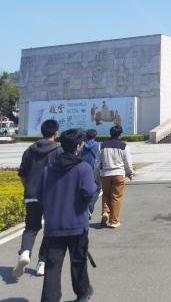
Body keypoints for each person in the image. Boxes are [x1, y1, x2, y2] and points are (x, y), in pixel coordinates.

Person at [39, 128, 97, 302]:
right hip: (77, 224)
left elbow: (42, 195)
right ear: (78, 146)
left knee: (52, 266)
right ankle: (82, 292)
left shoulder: (48, 169)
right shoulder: (83, 168)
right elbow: (89, 192)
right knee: (78, 261)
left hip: (53, 226)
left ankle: (49, 299)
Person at [13, 119, 63, 278]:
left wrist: (28, 188)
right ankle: (42, 262)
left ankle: (25, 252)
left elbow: (22, 174)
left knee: (31, 227)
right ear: (56, 133)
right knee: (50, 229)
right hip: (52, 197)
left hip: (31, 195)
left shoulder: (29, 150)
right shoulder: (59, 151)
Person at [95, 125, 134, 228]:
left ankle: (105, 212)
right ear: (121, 134)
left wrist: (96, 175)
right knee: (116, 197)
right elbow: (127, 161)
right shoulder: (124, 146)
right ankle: (114, 221)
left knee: (106, 194)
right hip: (118, 174)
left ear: (110, 134)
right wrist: (130, 172)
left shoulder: (102, 145)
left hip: (105, 174)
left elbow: (97, 161)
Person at [80, 129, 101, 217]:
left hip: (82, 170)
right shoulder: (99, 145)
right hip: (95, 171)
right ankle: (89, 207)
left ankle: (83, 208)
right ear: (95, 136)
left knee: (83, 190)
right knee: (96, 189)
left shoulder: (81, 146)